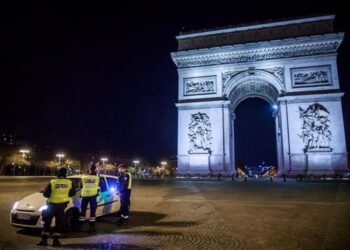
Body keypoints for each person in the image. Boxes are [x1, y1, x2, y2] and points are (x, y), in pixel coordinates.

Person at [37, 167, 76, 247]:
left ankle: (44, 240)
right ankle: (56, 241)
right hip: (62, 206)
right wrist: (64, 195)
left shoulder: (53, 182)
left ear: (58, 173)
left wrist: (52, 195)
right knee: (58, 223)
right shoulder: (69, 182)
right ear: (65, 174)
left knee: (47, 223)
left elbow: (45, 194)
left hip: (51, 205)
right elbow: (73, 193)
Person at [79, 164, 100, 232]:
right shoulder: (97, 178)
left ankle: (80, 227)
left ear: (89, 169)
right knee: (92, 212)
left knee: (83, 211)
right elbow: (98, 185)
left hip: (84, 196)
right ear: (95, 169)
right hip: (93, 196)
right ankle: (91, 228)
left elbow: (81, 186)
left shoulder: (83, 177)